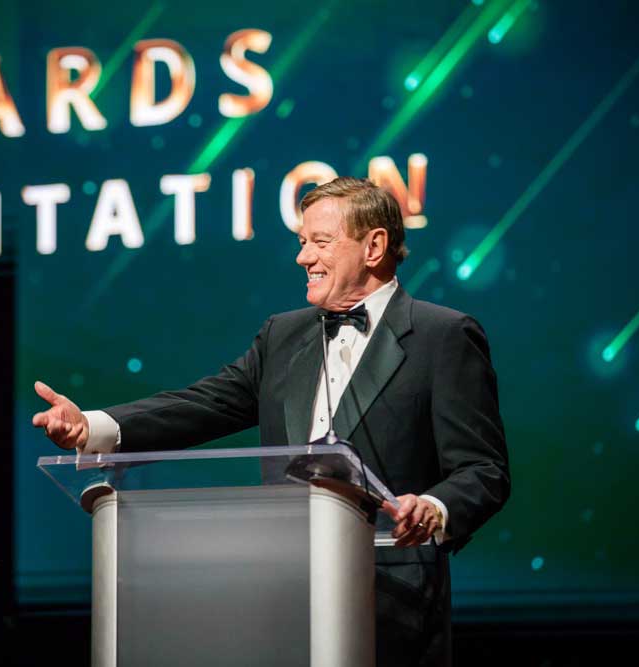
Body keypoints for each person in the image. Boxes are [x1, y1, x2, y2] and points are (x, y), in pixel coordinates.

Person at [32, 177, 510, 666]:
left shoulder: (442, 336)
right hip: (279, 596)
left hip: (392, 602)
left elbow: (484, 470)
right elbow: (206, 404)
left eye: (320, 242)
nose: (303, 258)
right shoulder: (282, 335)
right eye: (302, 243)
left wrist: (434, 506)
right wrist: (95, 426)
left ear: (375, 246)